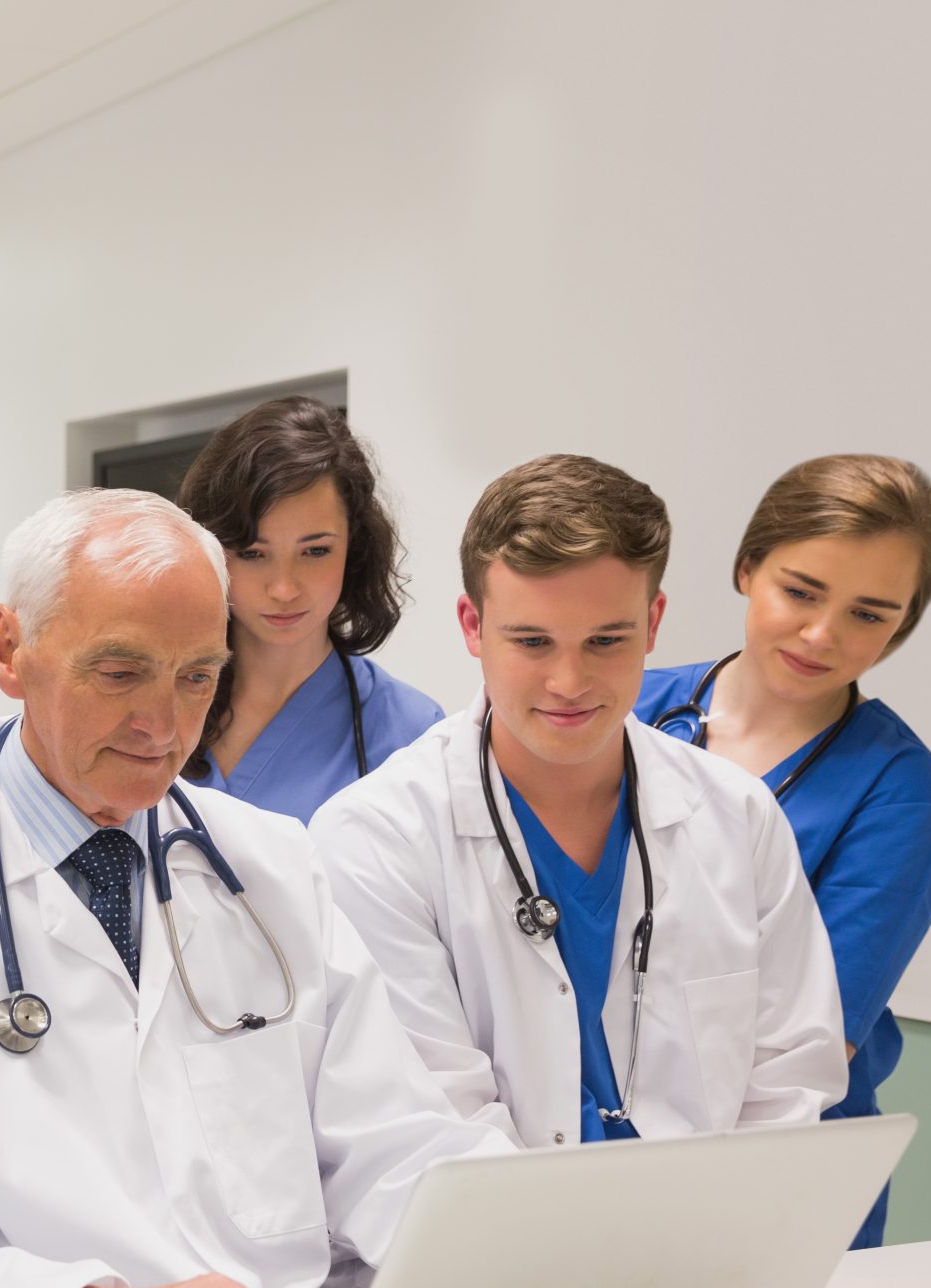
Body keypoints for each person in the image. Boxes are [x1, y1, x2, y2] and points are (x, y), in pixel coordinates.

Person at [0, 488, 516, 1288]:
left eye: (198, 676)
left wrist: (548, 1271)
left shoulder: (274, 866)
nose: (164, 727)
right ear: (10, 650)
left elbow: (396, 1146)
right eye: (119, 672)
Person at [310, 455, 849, 1162]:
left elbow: (788, 1080)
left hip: (703, 1245)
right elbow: (431, 1119)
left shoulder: (738, 820)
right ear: (472, 626)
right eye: (531, 641)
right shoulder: (376, 836)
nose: (569, 681)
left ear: (653, 623)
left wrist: (717, 1241)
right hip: (487, 1252)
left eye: (606, 640)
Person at [638, 456, 931, 1249]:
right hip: (592, 1147)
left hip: (780, 1176)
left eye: (869, 614)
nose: (822, 635)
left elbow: (816, 1039)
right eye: (801, 591)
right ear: (749, 567)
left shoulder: (896, 788)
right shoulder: (633, 707)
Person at [178, 396, 442, 817]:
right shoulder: (158, 709)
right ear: (208, 550)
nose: (284, 589)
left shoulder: (411, 734)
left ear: (354, 548)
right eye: (252, 552)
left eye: (315, 551)